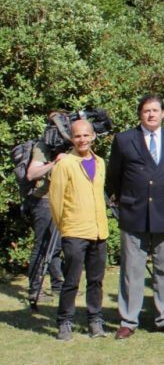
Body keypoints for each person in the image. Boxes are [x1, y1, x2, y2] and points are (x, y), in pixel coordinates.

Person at [107, 94, 164, 339]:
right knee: (132, 270)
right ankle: (128, 320)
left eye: (155, 110)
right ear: (140, 115)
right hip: (134, 213)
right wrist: (126, 201)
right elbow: (114, 178)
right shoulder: (123, 140)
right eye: (146, 111)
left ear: (163, 113)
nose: (151, 115)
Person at [49, 120, 108, 340]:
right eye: (77, 136)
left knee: (96, 280)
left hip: (99, 231)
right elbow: (55, 201)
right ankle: (65, 322)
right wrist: (65, 226)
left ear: (93, 136)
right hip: (74, 231)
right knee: (72, 281)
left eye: (86, 135)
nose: (82, 140)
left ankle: (95, 320)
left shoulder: (101, 162)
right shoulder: (65, 164)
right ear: (71, 139)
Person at [25, 127, 64, 311]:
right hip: (43, 201)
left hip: (63, 199)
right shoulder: (43, 146)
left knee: (56, 246)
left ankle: (58, 285)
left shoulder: (74, 144)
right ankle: (35, 290)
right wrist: (55, 163)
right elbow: (31, 174)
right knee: (41, 246)